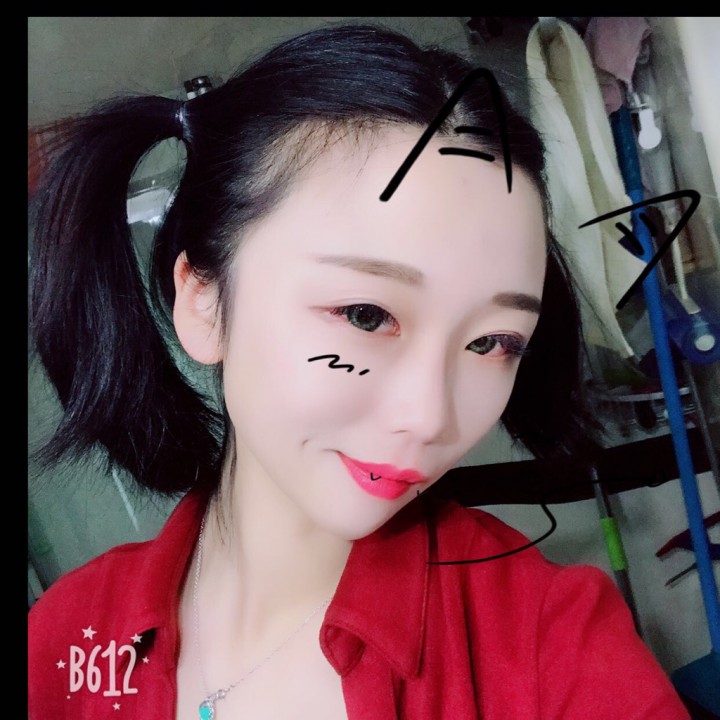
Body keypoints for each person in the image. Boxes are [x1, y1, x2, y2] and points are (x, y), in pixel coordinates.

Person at [28, 23, 689, 720]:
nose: (430, 417)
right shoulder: (66, 642)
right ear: (204, 302)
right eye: (367, 315)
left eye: (494, 341)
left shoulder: (552, 646)